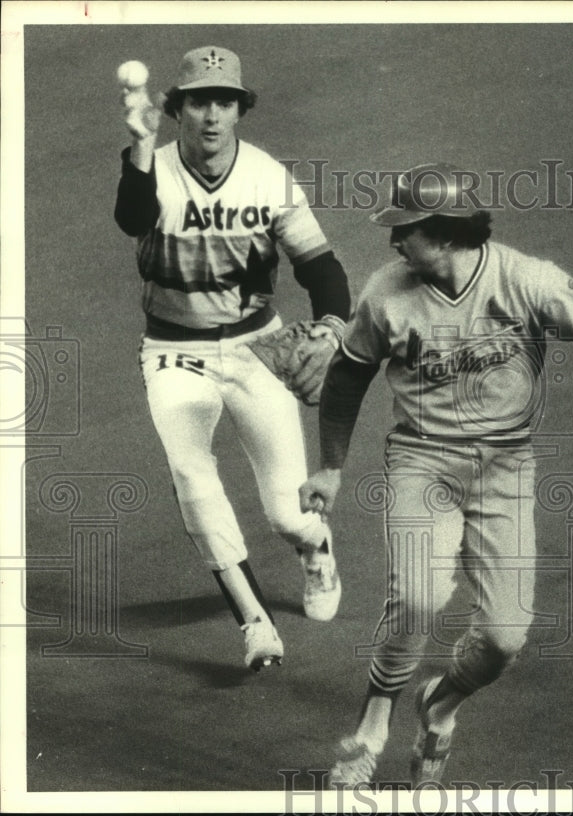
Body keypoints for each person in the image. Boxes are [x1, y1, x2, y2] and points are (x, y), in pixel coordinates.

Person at [299, 163, 573, 785]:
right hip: (421, 460)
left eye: (406, 230)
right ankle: (372, 729)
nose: (394, 241)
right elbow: (348, 375)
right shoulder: (386, 292)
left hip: (505, 468)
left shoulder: (524, 279)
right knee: (417, 597)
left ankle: (440, 704)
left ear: (448, 233)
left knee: (506, 638)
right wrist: (329, 468)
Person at [114, 46, 351, 670]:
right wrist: (140, 145)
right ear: (178, 108)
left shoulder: (268, 177)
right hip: (174, 350)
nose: (212, 115)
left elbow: (321, 266)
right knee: (193, 474)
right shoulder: (150, 167)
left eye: (225, 102)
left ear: (239, 110)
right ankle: (255, 622)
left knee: (285, 514)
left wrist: (330, 331)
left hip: (255, 348)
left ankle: (316, 547)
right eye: (199, 101)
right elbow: (130, 217)